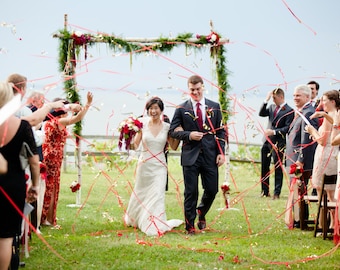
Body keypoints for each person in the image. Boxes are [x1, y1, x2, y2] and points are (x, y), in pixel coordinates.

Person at [169, 75, 226, 235]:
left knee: (212, 189)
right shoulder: (181, 109)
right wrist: (189, 135)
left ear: (203, 88)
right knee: (190, 192)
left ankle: (201, 211)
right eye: (192, 90)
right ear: (188, 89)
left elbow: (221, 131)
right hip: (190, 156)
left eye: (198, 89)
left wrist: (221, 152)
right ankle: (190, 226)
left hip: (210, 155)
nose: (195, 92)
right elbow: (173, 131)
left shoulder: (214, 107)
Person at [124, 97, 183, 236]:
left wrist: (180, 134)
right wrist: (127, 134)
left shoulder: (168, 127)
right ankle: (137, 217)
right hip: (144, 165)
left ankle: (154, 222)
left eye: (156, 108)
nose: (153, 111)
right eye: (151, 108)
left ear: (161, 110)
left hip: (159, 166)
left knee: (157, 195)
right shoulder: (142, 125)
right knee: (141, 192)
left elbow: (173, 147)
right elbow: (135, 145)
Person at [0, 82, 40, 270]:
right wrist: (35, 185)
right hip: (12, 186)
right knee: (6, 237)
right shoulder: (22, 126)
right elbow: (33, 161)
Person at [41, 92, 92, 227]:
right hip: (53, 158)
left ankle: (46, 217)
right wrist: (87, 104)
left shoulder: (47, 122)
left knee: (48, 187)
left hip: (48, 156)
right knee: (51, 189)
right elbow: (77, 119)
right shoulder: (59, 121)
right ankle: (47, 218)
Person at [285, 84, 318, 229]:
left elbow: (307, 140)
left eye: (298, 95)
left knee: (300, 190)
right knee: (297, 190)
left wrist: (301, 160)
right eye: (294, 95)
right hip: (292, 158)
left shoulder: (309, 113)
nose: (295, 98)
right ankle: (298, 219)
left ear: (306, 96)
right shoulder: (301, 111)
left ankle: (301, 220)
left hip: (299, 160)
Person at [305, 90, 340, 231]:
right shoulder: (336, 115)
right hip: (334, 156)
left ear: (332, 102)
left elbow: (323, 141)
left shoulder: (328, 117)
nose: (321, 103)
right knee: (332, 194)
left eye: (323, 100)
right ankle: (333, 224)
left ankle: (322, 226)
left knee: (322, 193)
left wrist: (312, 131)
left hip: (325, 156)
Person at [259, 88, 294, 199]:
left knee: (278, 167)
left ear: (281, 97)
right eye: (272, 98)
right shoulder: (272, 107)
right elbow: (261, 113)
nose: (273, 100)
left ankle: (276, 192)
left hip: (279, 142)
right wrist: (266, 100)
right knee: (264, 165)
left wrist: (274, 131)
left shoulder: (289, 110)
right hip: (267, 141)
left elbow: (287, 128)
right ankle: (264, 191)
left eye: (274, 98)